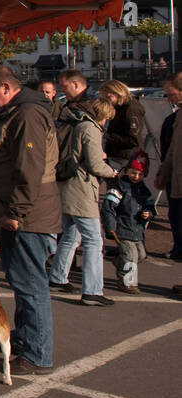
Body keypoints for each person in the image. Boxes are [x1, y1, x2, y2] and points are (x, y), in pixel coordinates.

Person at [0, 64, 61, 376]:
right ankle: (27, 347)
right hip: (17, 214)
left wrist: (16, 212)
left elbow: (30, 168)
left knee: (31, 286)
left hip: (27, 216)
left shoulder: (26, 115)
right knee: (24, 284)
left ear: (7, 89)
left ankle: (37, 355)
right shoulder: (15, 113)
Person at [49, 97, 117, 306]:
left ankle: (58, 276)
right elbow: (95, 163)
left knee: (70, 234)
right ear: (103, 116)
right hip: (83, 188)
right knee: (93, 240)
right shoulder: (91, 128)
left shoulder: (77, 123)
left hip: (68, 186)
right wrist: (111, 172)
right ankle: (92, 290)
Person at [104, 152, 153, 294]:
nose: (136, 177)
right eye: (133, 172)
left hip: (137, 229)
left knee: (141, 255)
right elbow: (108, 207)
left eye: (140, 174)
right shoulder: (120, 186)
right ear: (127, 170)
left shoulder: (144, 190)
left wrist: (148, 214)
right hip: (123, 227)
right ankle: (127, 282)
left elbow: (150, 207)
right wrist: (110, 227)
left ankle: (119, 261)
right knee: (131, 256)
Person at [157, 73, 182, 261]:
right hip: (176, 177)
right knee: (176, 216)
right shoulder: (177, 116)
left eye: (172, 94)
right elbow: (173, 149)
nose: (169, 98)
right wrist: (164, 171)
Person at [99, 79, 145, 168]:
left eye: (109, 97)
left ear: (119, 93)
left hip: (126, 157)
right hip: (118, 155)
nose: (107, 101)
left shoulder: (130, 109)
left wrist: (108, 137)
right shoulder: (118, 107)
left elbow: (133, 139)